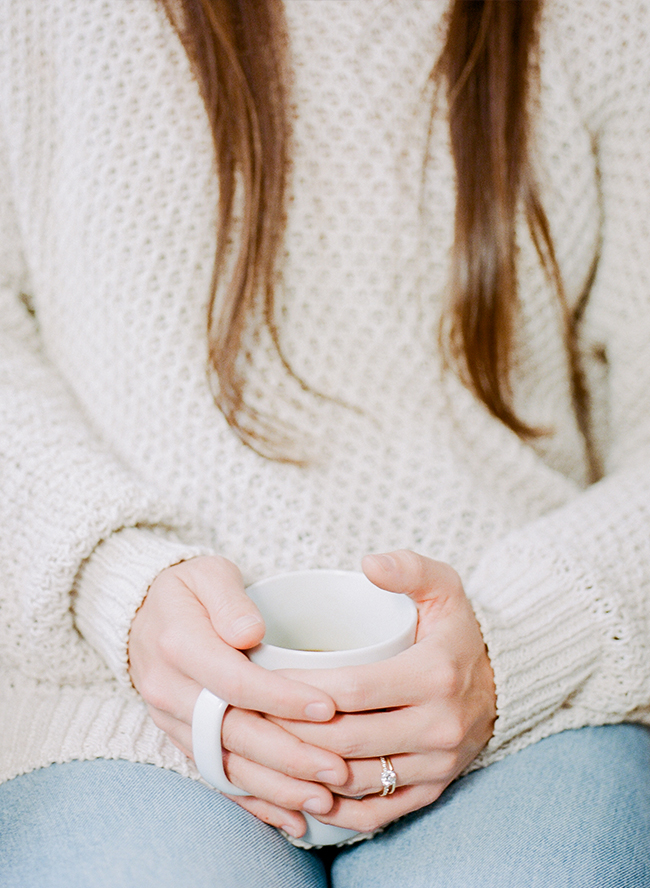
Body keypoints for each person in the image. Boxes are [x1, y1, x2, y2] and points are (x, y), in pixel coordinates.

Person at [1, 0, 649, 885]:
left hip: (532, 711)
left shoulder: (606, 22)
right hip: (117, 704)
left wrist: (528, 642)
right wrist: (111, 576)